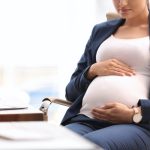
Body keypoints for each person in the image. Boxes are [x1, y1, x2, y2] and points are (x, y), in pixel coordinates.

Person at [61, 0, 150, 150]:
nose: (122, 3)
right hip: (85, 120)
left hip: (137, 125)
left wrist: (133, 114)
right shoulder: (100, 32)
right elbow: (70, 93)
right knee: (56, 143)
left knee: (88, 145)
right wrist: (92, 71)